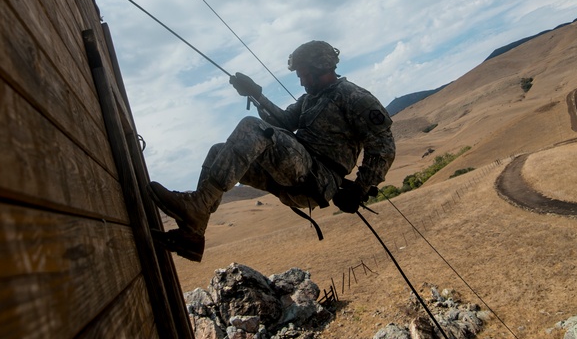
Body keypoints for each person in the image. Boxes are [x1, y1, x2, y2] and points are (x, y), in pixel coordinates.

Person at [150, 40, 396, 262]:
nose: (301, 81)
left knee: (251, 126)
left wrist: (360, 189)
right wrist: (257, 95)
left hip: (317, 179)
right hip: (295, 172)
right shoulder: (311, 99)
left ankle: (199, 204)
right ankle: (193, 234)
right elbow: (284, 122)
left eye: (303, 74)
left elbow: (383, 147)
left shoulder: (353, 96)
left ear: (321, 67)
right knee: (218, 152)